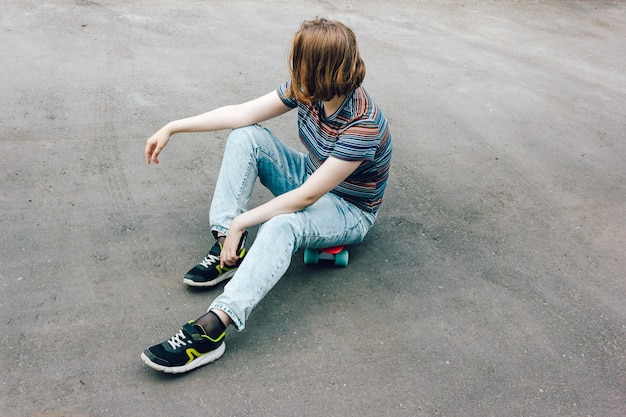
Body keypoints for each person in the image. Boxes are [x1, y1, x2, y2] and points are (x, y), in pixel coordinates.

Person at [141, 17, 392, 374]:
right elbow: (239, 114)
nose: (297, 70)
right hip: (311, 177)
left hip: (349, 209)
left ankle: (215, 326)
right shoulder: (308, 90)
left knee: (282, 226)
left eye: (303, 61)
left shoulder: (363, 124)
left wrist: (246, 219)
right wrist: (172, 127)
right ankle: (228, 246)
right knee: (245, 136)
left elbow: (306, 198)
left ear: (322, 68)